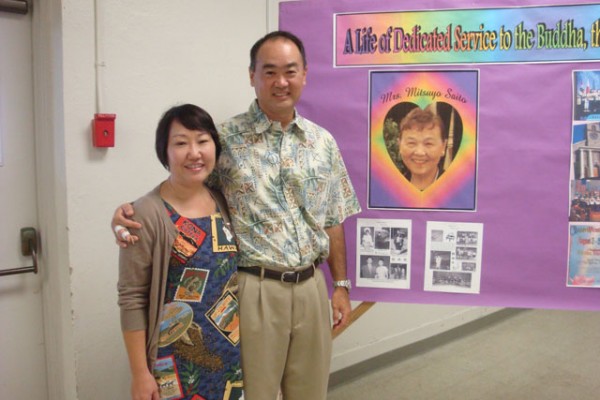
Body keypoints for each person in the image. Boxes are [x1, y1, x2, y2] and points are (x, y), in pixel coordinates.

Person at [112, 31, 361, 400]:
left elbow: (333, 215)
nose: (281, 82)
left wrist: (340, 284)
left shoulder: (322, 142)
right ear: (252, 76)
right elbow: (183, 188)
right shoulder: (224, 140)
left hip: (311, 287)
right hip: (254, 290)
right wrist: (127, 215)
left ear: (305, 74)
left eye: (290, 71)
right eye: (270, 71)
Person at [117, 104, 242, 400]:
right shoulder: (145, 214)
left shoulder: (223, 200)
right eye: (181, 143)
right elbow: (131, 297)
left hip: (231, 358)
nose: (194, 152)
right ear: (165, 152)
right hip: (173, 364)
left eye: (202, 141)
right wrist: (139, 374)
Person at [397, 105, 448, 191]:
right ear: (399, 145)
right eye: (411, 143)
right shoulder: (391, 190)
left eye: (428, 143)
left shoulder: (457, 191)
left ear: (443, 146)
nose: (419, 152)